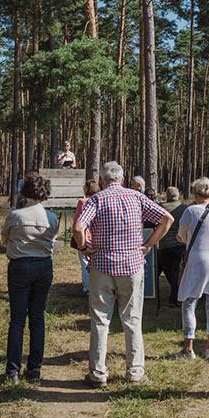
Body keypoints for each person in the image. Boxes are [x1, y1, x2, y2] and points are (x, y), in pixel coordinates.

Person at [74, 161, 173, 387]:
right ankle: (135, 372)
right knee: (132, 319)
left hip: (101, 265)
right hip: (131, 265)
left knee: (100, 320)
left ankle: (98, 373)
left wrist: (83, 248)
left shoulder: (96, 199)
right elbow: (167, 219)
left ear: (101, 180)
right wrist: (149, 244)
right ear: (122, 178)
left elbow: (78, 228)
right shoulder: (136, 197)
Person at [0, 173, 58, 385]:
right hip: (43, 266)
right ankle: (34, 369)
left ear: (25, 192)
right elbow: (52, 241)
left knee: (17, 319)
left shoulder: (16, 215)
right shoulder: (52, 218)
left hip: (20, 266)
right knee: (37, 317)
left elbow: (4, 238)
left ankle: (12, 370)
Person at [171, 178, 209, 361]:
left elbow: (181, 235)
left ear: (195, 194)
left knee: (189, 302)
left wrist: (184, 239)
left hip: (198, 260)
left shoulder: (190, 211)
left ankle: (188, 348)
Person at [157, 186, 187, 308]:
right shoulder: (185, 209)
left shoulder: (160, 208)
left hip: (164, 246)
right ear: (178, 195)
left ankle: (174, 296)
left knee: (168, 271)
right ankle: (175, 297)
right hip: (180, 245)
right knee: (176, 273)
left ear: (167, 196)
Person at [73, 180, 100, 296]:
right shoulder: (100, 200)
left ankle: (87, 288)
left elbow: (77, 221)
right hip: (98, 236)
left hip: (85, 236)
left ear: (86, 189)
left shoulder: (82, 202)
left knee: (85, 263)